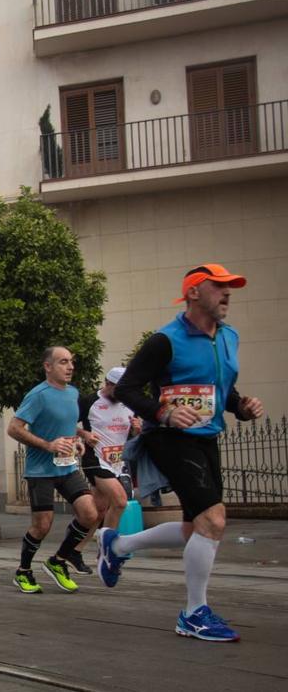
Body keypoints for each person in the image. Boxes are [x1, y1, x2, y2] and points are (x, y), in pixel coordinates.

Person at [101, 264, 262, 642]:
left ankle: (118, 544)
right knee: (214, 519)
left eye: (230, 287)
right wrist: (163, 412)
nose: (227, 293)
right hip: (169, 437)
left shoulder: (229, 337)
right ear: (193, 293)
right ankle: (193, 613)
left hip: (207, 436)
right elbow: (128, 389)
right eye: (218, 286)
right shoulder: (165, 341)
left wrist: (241, 407)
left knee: (196, 528)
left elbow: (222, 390)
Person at [7, 346, 99, 595]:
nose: (70, 367)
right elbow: (14, 428)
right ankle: (23, 571)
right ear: (48, 366)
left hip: (67, 466)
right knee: (42, 525)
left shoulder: (73, 393)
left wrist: (78, 439)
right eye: (63, 362)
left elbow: (67, 424)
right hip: (40, 470)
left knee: (90, 514)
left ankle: (58, 561)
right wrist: (48, 445)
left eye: (71, 362)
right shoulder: (38, 395)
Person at [72, 366, 140, 574]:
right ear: (108, 384)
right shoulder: (89, 401)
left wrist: (137, 429)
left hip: (117, 462)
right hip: (95, 459)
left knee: (98, 511)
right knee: (119, 501)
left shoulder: (130, 402)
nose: (122, 393)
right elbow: (67, 422)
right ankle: (107, 551)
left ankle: (73, 550)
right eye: (118, 389)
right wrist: (84, 434)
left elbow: (132, 432)